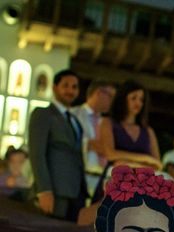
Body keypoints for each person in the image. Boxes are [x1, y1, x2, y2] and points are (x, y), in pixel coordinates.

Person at [28, 69, 87, 221]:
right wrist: (44, 190)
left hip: (75, 194)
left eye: (74, 87)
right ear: (55, 87)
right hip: (54, 191)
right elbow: (37, 153)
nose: (70, 90)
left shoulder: (75, 121)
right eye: (65, 85)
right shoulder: (43, 113)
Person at [99, 80, 162, 172]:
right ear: (123, 99)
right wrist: (145, 158)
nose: (138, 103)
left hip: (142, 183)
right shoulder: (107, 122)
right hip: (114, 180)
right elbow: (110, 154)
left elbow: (157, 163)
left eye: (141, 99)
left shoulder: (148, 131)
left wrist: (127, 162)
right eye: (133, 98)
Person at [71, 79, 116, 195]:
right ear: (98, 93)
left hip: (102, 180)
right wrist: (87, 144)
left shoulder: (108, 123)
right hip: (78, 178)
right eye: (110, 96)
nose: (112, 102)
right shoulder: (73, 115)